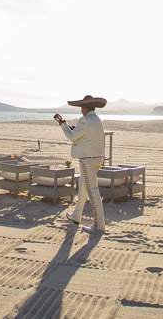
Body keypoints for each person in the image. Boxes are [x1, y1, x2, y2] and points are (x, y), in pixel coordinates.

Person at [54, 95, 106, 234]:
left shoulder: (85, 120)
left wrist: (63, 125)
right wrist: (74, 128)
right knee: (84, 187)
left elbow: (72, 136)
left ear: (84, 108)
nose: (81, 110)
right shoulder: (97, 120)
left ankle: (99, 224)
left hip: (87, 160)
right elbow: (86, 137)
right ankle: (77, 215)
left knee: (92, 191)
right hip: (97, 158)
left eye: (81, 107)